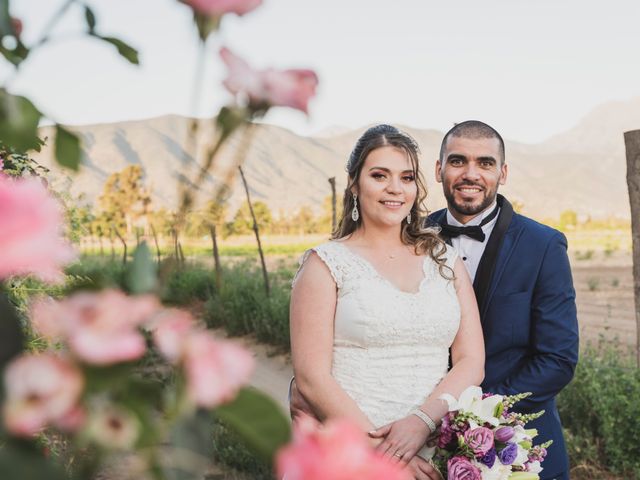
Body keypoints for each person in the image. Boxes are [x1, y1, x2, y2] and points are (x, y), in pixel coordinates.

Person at [289, 124, 484, 480]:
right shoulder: (325, 264)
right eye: (380, 175)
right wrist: (388, 455)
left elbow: (471, 360)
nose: (395, 188)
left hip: (431, 448)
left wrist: (422, 423)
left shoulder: (445, 259)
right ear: (354, 183)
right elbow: (311, 377)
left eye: (407, 177)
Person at [427, 120, 579, 480]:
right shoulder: (410, 239)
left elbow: (557, 359)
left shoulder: (543, 246)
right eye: (457, 161)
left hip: (518, 448)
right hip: (423, 447)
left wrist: (473, 415)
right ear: (439, 169)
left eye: (485, 163)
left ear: (503, 172)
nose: (470, 173)